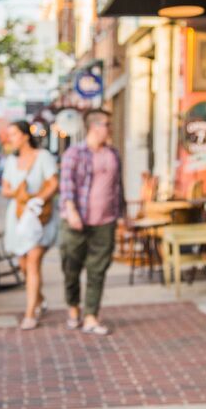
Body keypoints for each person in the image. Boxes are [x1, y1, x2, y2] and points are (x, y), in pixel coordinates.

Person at [59, 109, 125, 335]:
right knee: (71, 267)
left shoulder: (113, 154)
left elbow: (118, 187)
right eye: (107, 124)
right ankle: (73, 306)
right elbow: (67, 186)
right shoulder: (74, 154)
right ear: (95, 126)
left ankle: (91, 316)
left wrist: (121, 215)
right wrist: (72, 212)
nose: (110, 128)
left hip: (105, 221)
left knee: (98, 270)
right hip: (77, 220)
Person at [0, 121, 59, 330]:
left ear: (25, 135)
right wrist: (17, 192)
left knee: (33, 261)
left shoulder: (43, 157)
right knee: (24, 265)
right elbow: (5, 189)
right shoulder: (10, 161)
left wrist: (38, 200)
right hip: (18, 217)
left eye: (14, 134)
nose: (11, 138)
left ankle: (30, 314)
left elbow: (54, 182)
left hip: (39, 217)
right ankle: (39, 299)